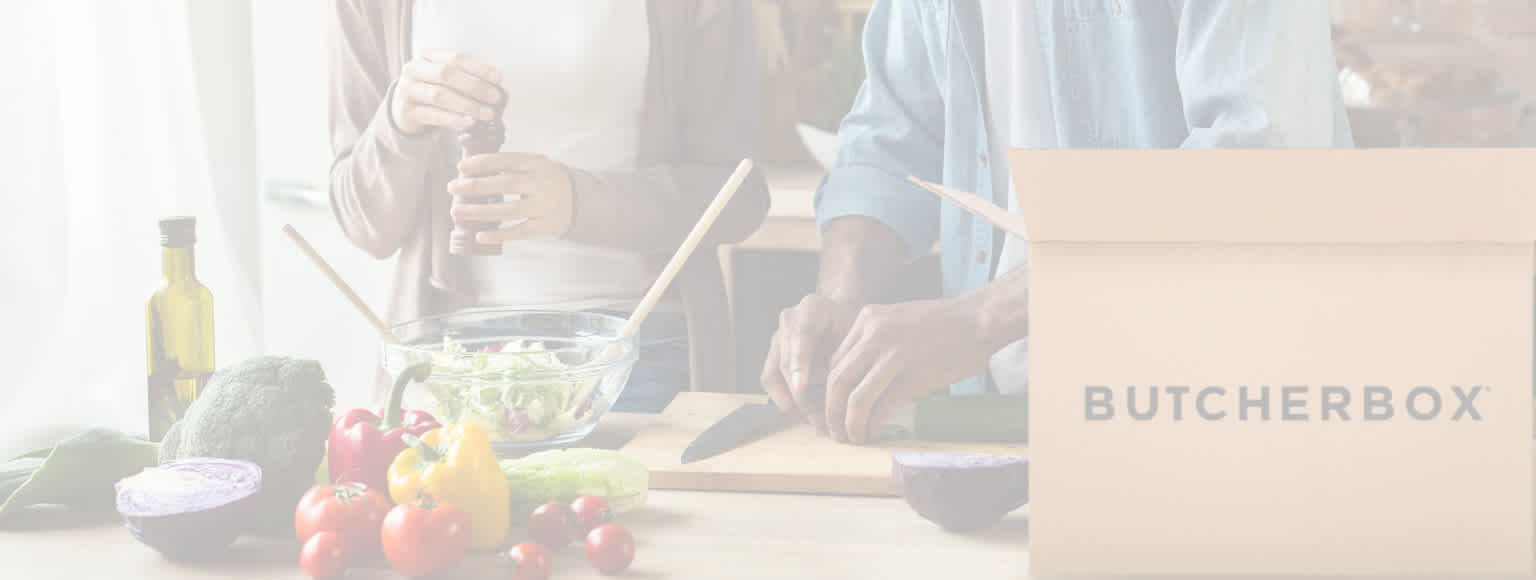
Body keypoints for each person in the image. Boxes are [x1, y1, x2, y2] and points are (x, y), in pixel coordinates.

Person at [763, 0, 1355, 444]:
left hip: (1215, 403)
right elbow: (891, 138)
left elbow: (1252, 175)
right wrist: (840, 301)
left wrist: (977, 320)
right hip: (1003, 411)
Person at [328, 0, 769, 412]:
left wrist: (579, 203)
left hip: (634, 347)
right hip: (449, 355)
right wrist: (398, 123)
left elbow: (739, 195)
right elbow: (364, 222)